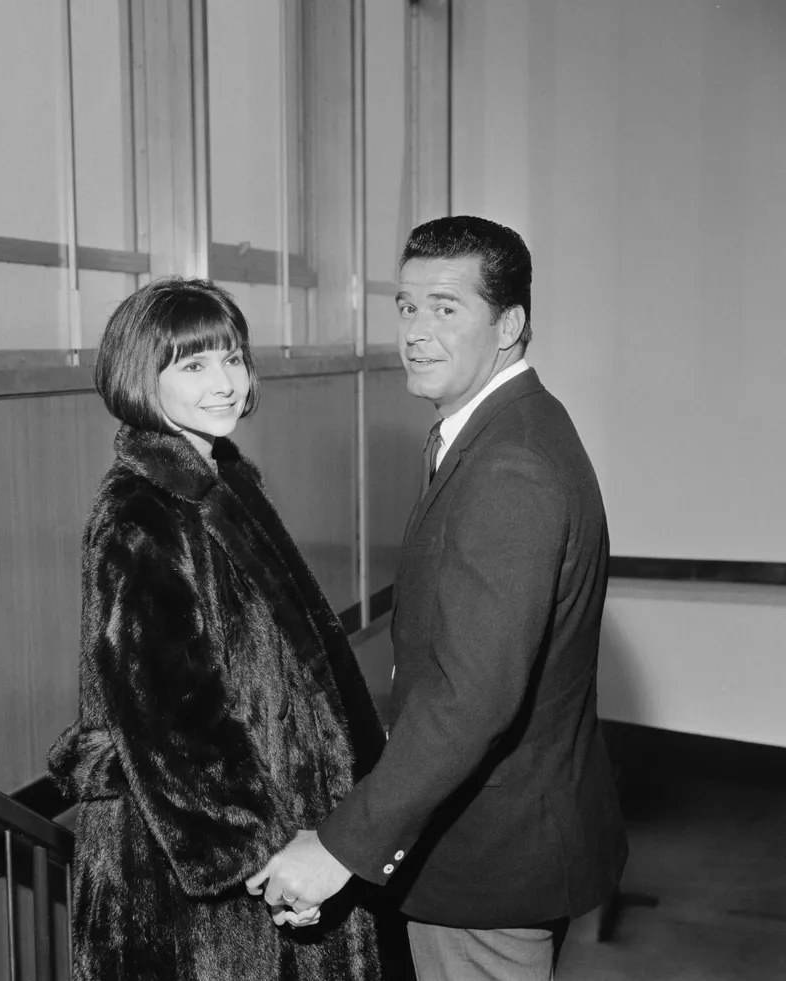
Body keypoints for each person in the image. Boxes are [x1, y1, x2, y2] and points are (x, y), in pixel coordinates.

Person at [248, 216, 628, 980]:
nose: (416, 332)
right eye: (406, 306)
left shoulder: (509, 466)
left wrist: (336, 846)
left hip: (489, 860)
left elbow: (470, 700)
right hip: (505, 835)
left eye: (446, 308)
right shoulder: (501, 429)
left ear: (510, 324)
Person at [47, 277, 394, 981]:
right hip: (188, 878)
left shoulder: (227, 482)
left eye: (232, 357)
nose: (226, 382)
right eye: (194, 364)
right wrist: (269, 855)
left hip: (285, 820)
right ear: (140, 377)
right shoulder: (139, 514)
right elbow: (174, 718)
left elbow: (311, 651)